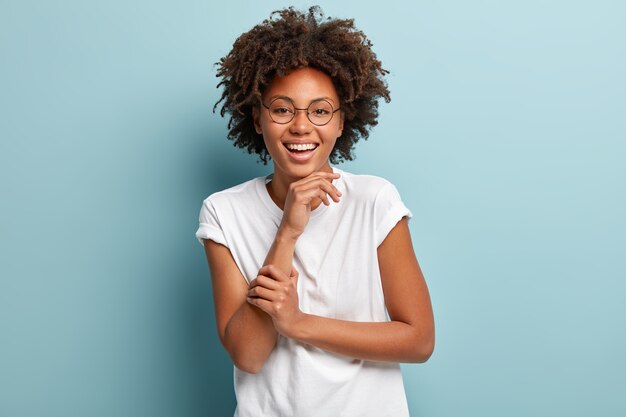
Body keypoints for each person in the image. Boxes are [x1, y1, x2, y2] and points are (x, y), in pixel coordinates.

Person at [196, 6, 434, 417]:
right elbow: (248, 356)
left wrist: (299, 323)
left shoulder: (374, 201)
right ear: (257, 118)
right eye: (283, 109)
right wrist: (287, 231)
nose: (302, 127)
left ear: (342, 122)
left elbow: (418, 341)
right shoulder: (224, 212)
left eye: (321, 110)